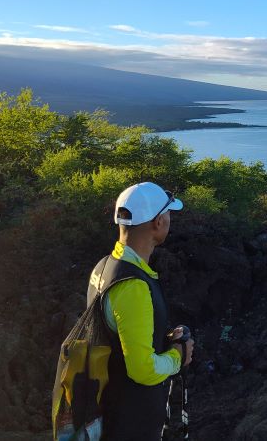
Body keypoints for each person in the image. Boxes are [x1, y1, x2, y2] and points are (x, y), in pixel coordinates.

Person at [86, 181, 195, 441]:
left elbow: (117, 337)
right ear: (158, 222)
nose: (170, 219)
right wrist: (178, 356)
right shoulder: (133, 285)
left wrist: (160, 338)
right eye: (168, 213)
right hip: (130, 421)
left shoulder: (105, 267)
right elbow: (142, 369)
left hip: (108, 412)